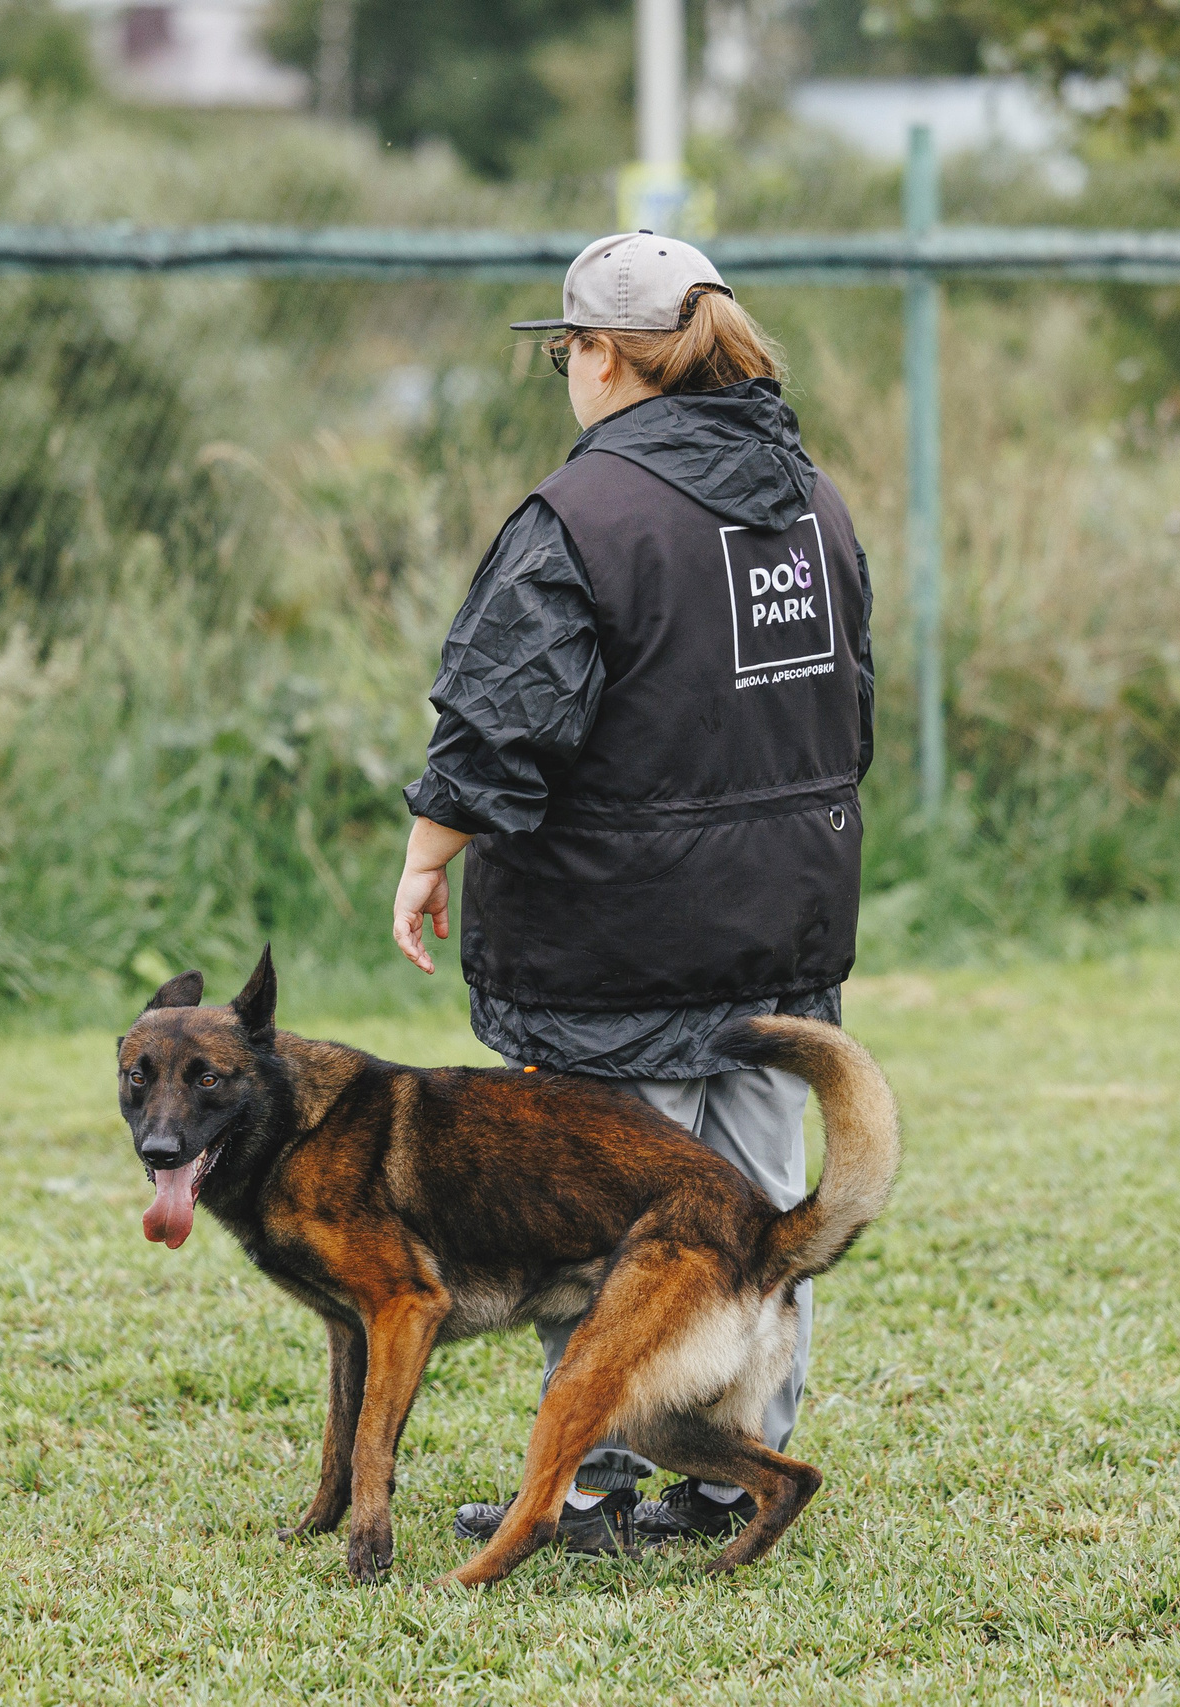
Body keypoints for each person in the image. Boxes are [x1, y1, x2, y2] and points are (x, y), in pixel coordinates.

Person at [390, 230, 874, 1554]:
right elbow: (851, 711)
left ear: (600, 356)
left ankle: (593, 1487)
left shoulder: (583, 519)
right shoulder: (810, 503)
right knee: (760, 1217)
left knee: (608, 1219)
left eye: (567, 352)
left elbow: (498, 727)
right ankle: (731, 1472)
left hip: (620, 943)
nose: (566, 373)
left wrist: (430, 851)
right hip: (780, 930)